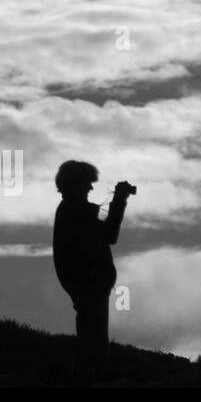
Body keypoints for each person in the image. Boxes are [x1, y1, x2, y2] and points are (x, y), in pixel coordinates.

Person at [52, 160, 131, 385]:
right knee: (94, 339)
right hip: (88, 283)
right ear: (74, 185)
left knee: (91, 334)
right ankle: (91, 379)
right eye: (86, 184)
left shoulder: (69, 210)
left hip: (85, 283)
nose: (90, 188)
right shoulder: (75, 211)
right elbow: (110, 235)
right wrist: (119, 200)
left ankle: (89, 376)